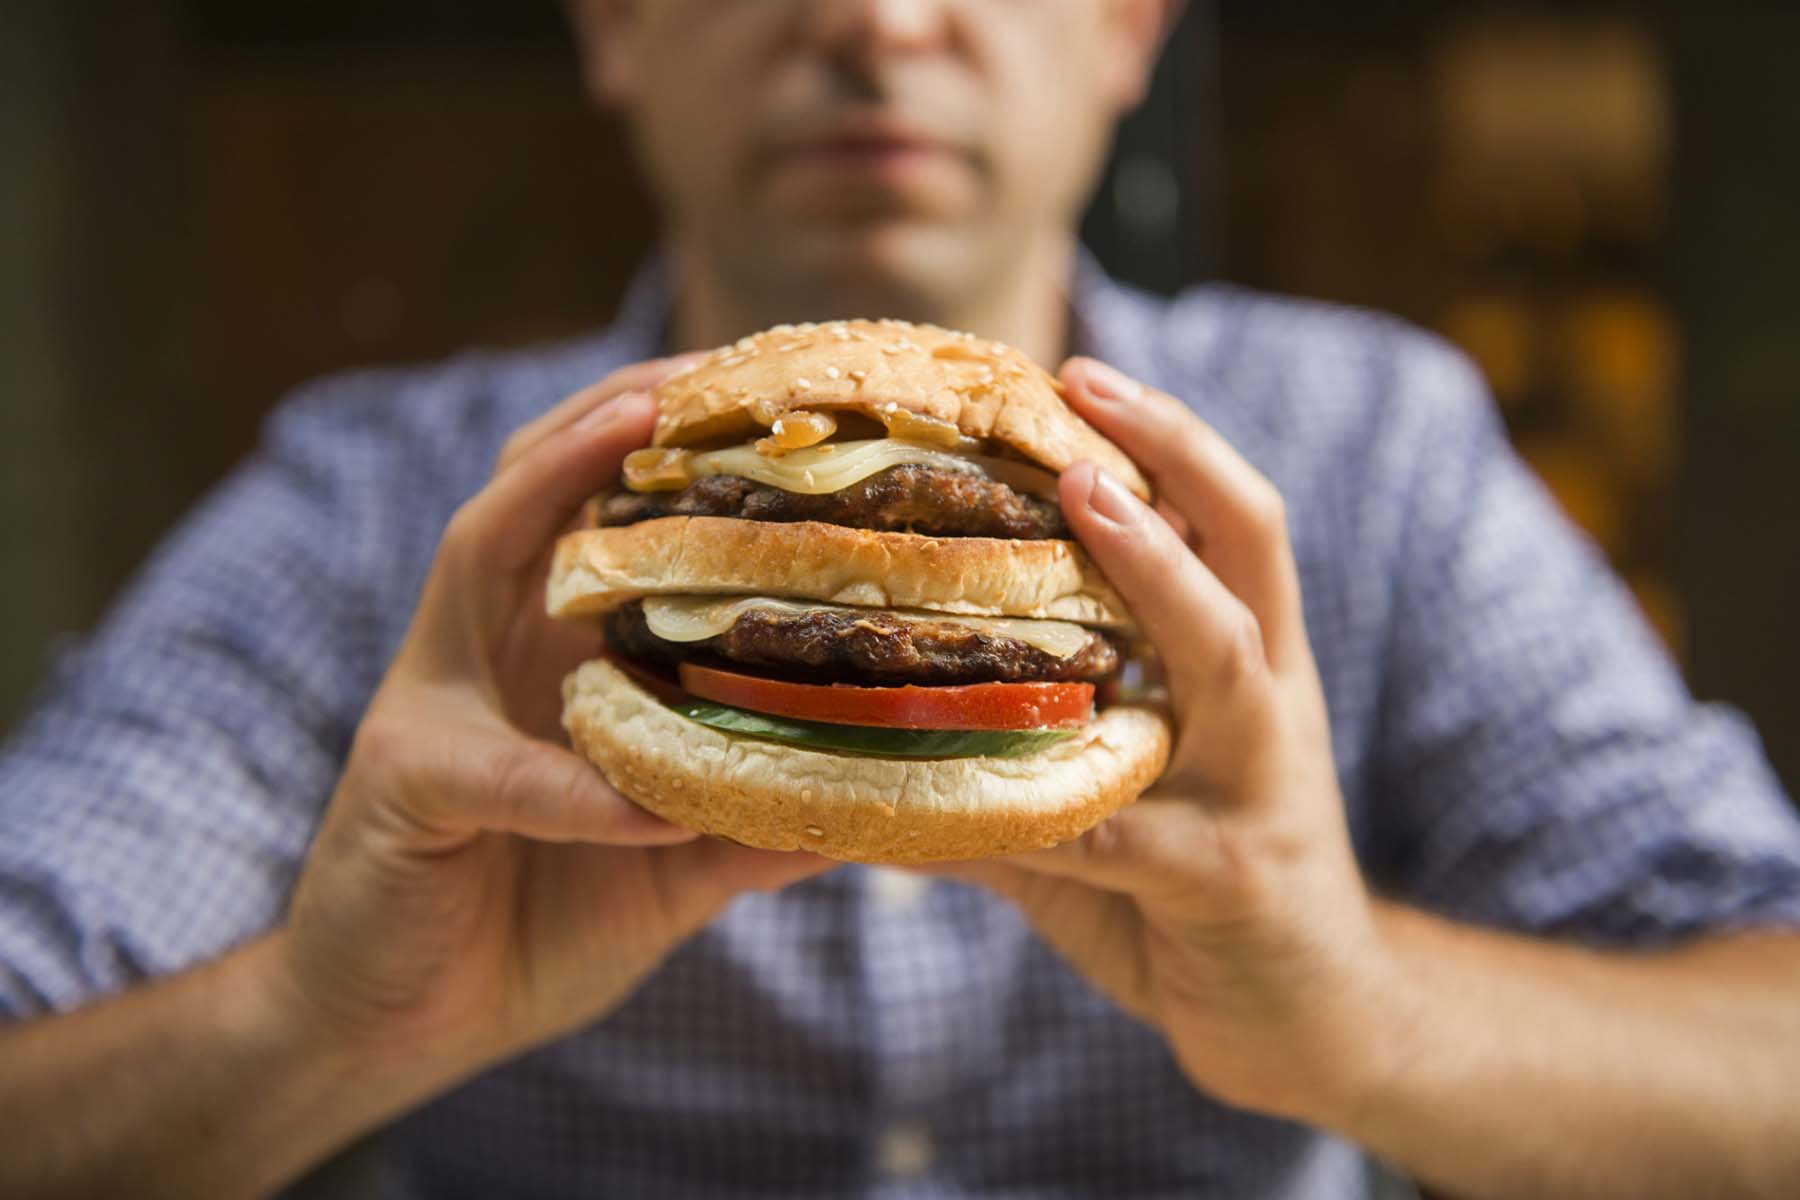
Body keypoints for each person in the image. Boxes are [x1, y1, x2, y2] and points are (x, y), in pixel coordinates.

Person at [3, 1, 1799, 1196]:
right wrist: (323, 1024)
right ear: (617, 26)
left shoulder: (1373, 449)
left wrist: (1369, 1020)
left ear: (1126, 30)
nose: (875, 20)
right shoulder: (377, 502)